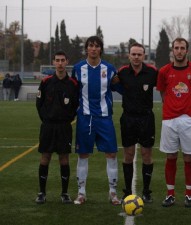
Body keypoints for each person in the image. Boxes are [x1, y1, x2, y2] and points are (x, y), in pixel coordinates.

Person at [156, 37, 191, 208]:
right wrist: (171, 107)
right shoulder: (163, 71)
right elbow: (162, 93)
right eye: (176, 48)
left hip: (188, 120)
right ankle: (170, 194)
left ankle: (189, 195)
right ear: (172, 50)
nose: (179, 51)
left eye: (182, 48)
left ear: (187, 50)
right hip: (169, 119)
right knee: (170, 156)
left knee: (188, 157)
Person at [72, 36, 121, 205]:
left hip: (104, 118)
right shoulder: (78, 68)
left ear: (101, 49)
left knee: (112, 154)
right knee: (83, 154)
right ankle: (81, 193)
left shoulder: (109, 69)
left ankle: (113, 193)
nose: (93, 49)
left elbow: (119, 87)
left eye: (96, 46)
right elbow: (73, 91)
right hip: (85, 118)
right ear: (86, 49)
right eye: (90, 46)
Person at [116, 43, 158, 203]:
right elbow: (113, 85)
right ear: (129, 55)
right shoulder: (122, 72)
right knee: (128, 154)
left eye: (139, 54)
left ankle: (146, 192)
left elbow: (164, 86)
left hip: (146, 118)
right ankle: (127, 192)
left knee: (146, 154)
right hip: (128, 118)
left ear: (144, 56)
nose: (136, 57)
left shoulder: (153, 72)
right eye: (133, 54)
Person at [35, 50, 79, 204]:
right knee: (45, 157)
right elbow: (39, 104)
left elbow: (75, 105)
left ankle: (65, 193)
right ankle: (41, 193)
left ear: (67, 62)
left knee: (64, 158)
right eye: (57, 60)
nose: (60, 63)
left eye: (62, 60)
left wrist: (67, 119)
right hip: (48, 126)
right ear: (53, 62)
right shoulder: (46, 82)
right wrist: (47, 119)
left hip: (64, 127)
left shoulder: (73, 84)